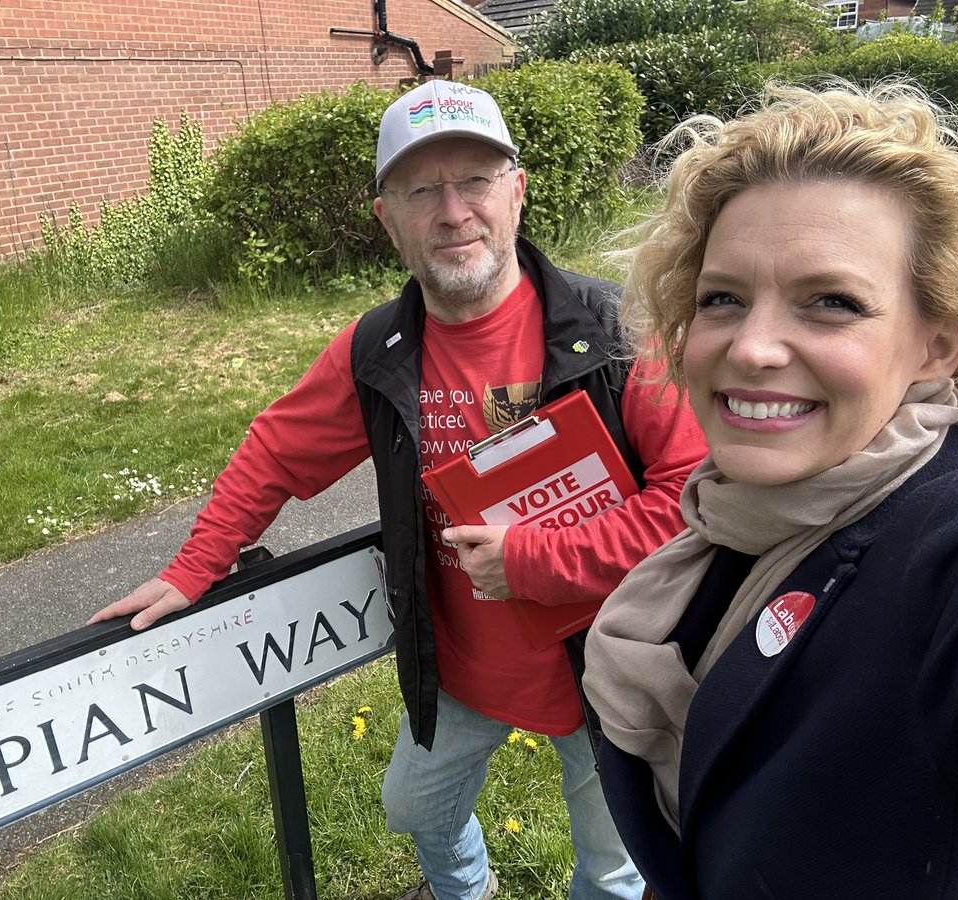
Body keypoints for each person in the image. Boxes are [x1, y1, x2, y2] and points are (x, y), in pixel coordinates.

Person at [90, 78, 706, 900]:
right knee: (415, 810)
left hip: (610, 670)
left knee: (614, 860)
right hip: (456, 671)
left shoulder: (619, 332)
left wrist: (536, 559)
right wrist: (193, 566)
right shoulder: (376, 349)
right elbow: (275, 450)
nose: (453, 211)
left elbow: (691, 503)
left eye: (477, 180)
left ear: (517, 191)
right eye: (422, 189)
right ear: (388, 218)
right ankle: (462, 892)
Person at [582, 79, 958, 900]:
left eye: (830, 303)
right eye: (723, 299)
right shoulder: (730, 522)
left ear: (938, 345)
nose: (755, 348)